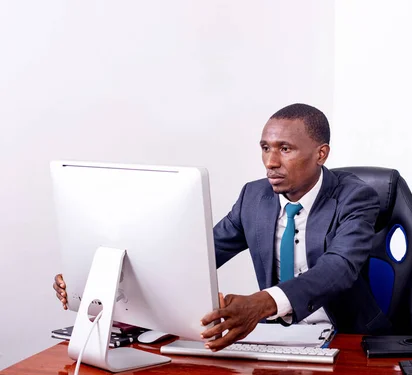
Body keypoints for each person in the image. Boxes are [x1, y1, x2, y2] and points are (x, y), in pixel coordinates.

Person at [53, 103, 392, 351]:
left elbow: (339, 267)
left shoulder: (355, 197)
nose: (271, 162)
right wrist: (103, 282)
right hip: (275, 337)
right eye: (265, 148)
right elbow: (200, 257)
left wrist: (260, 303)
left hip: (346, 339)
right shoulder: (254, 197)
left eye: (285, 149)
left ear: (321, 154)